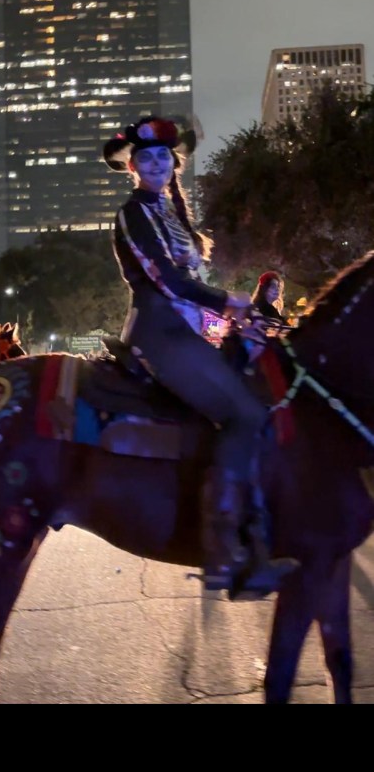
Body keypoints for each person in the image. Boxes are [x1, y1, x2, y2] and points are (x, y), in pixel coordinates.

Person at [103, 116, 296, 593]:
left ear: (174, 164)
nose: (154, 164)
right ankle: (226, 551)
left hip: (187, 331)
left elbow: (191, 289)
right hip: (159, 333)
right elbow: (168, 282)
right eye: (145, 158)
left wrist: (236, 320)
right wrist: (229, 300)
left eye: (162, 157)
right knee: (245, 415)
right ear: (132, 166)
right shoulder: (133, 213)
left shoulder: (169, 211)